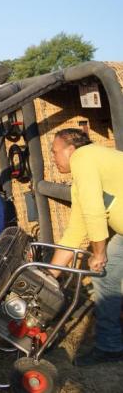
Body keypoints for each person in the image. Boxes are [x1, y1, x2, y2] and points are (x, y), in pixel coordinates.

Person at [48, 128, 123, 366]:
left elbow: (94, 210)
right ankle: (110, 346)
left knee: (103, 268)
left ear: (71, 149)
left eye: (55, 151)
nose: (53, 157)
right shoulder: (84, 175)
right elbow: (75, 231)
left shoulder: (84, 158)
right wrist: (49, 278)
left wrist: (98, 253)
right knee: (104, 276)